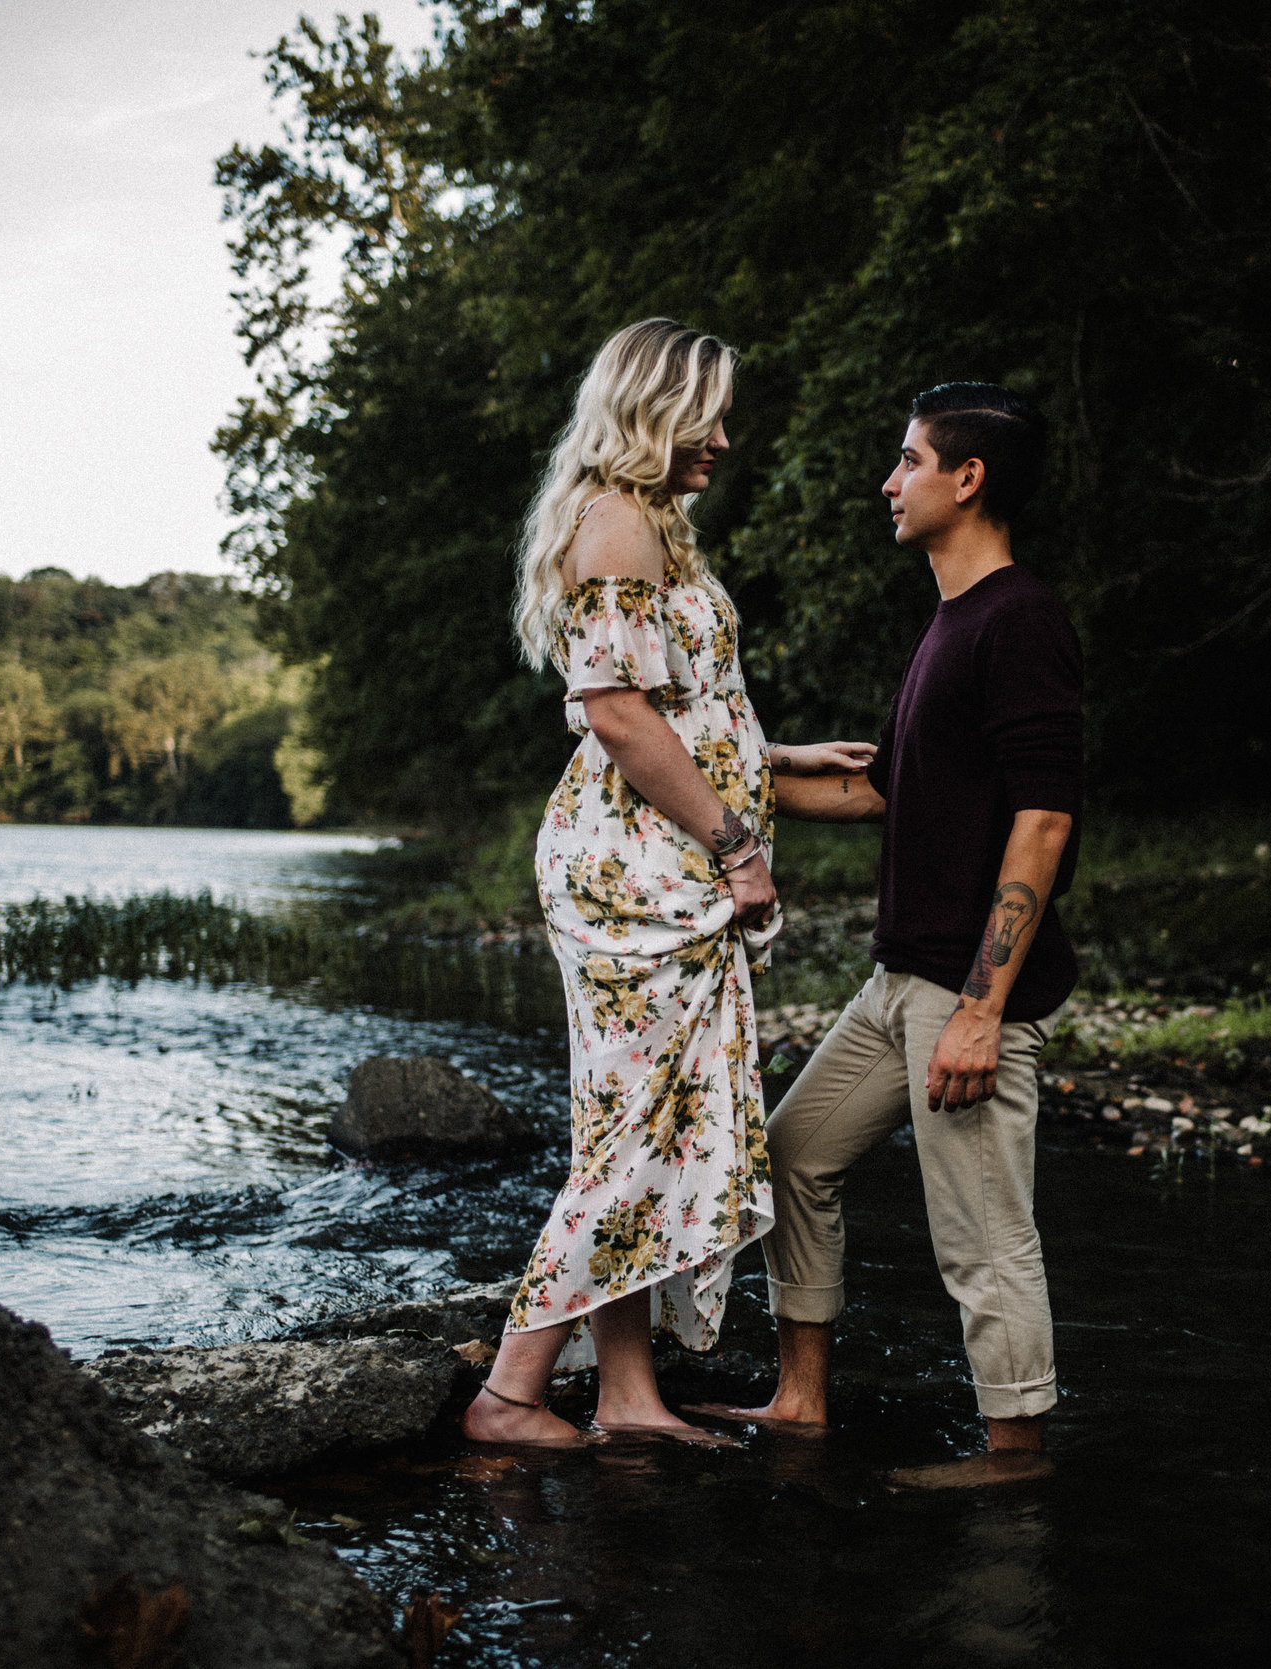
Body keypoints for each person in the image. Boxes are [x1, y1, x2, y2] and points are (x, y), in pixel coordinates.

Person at [463, 318, 874, 1445]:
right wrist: (739, 847)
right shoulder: (616, 524)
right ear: (652, 410)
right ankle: (508, 1392)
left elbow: (678, 705)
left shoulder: (654, 528)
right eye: (708, 415)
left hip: (654, 860)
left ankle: (627, 1396)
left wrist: (778, 759)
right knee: (638, 1131)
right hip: (638, 878)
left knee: (643, 1123)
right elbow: (615, 714)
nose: (725, 439)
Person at [692, 382, 1082, 1485]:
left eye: (909, 461)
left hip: (966, 992)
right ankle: (802, 1398)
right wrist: (700, 773)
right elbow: (884, 798)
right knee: (792, 1155)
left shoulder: (1020, 619)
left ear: (969, 480)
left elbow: (1042, 819)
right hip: (897, 980)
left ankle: (1014, 1453)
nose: (889, 481)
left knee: (982, 1229)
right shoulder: (950, 621)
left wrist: (980, 1007)